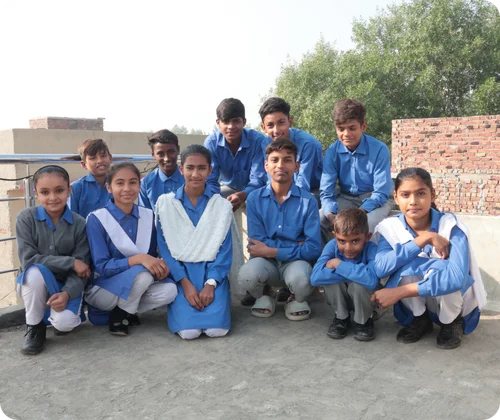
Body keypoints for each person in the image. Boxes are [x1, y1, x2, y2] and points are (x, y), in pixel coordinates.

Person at [372, 168, 487, 349]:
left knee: (443, 272)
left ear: (432, 195)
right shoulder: (389, 227)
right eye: (405, 195)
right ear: (396, 198)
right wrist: (423, 239)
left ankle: (451, 322)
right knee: (406, 267)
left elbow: (456, 279)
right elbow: (380, 268)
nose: (413, 202)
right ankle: (420, 319)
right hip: (419, 302)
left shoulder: (451, 227)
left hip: (454, 301)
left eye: (420, 193)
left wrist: (400, 292)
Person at [85, 163, 177, 336]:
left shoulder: (149, 216)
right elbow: (102, 267)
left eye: (133, 182)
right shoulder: (97, 219)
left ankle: (124, 311)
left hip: (138, 285)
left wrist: (159, 267)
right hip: (104, 289)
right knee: (141, 275)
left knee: (170, 291)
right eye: (119, 183)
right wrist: (138, 259)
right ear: (109, 188)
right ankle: (123, 315)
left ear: (139, 185)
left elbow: (152, 256)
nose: (127, 188)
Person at [156, 144, 235, 340]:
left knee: (217, 331)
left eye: (201, 168)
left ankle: (216, 295)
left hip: (212, 275)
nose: (195, 174)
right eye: (190, 168)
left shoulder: (221, 206)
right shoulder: (165, 205)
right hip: (181, 276)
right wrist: (185, 284)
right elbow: (165, 249)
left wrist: (211, 284)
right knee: (188, 333)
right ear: (181, 169)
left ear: (210, 170)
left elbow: (225, 251)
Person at [238, 139, 321, 321]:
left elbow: (313, 248)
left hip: (295, 265)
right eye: (275, 160)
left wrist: (271, 250)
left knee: (302, 279)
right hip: (269, 265)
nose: (280, 165)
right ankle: (264, 296)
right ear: (266, 165)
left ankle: (297, 299)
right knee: (246, 276)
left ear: (296, 166)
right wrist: (295, 245)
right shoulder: (254, 199)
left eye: (287, 160)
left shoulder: (308, 201)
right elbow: (255, 244)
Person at [16, 165, 91, 355]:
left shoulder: (80, 224)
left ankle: (57, 313)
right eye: (44, 192)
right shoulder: (26, 218)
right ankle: (34, 328)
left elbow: (82, 270)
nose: (52, 198)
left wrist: (66, 293)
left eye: (59, 190)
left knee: (64, 325)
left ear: (69, 190)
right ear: (36, 193)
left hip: (67, 284)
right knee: (34, 272)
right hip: (34, 283)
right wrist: (70, 262)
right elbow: (28, 259)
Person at [320, 99, 393, 242]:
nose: (346, 134)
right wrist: (331, 215)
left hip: (376, 198)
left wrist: (359, 214)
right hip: (347, 198)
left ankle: (370, 263)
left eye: (352, 128)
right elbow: (326, 192)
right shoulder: (332, 151)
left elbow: (381, 191)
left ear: (363, 126)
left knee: (367, 225)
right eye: (341, 129)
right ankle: (324, 261)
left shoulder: (379, 149)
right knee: (319, 219)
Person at [311, 208, 379, 341]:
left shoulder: (372, 249)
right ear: (335, 236)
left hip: (364, 300)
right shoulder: (331, 246)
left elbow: (372, 281)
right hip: (340, 299)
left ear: (367, 237)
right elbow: (315, 278)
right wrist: (358, 271)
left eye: (355, 241)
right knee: (331, 283)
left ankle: (364, 321)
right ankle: (341, 318)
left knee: (360, 284)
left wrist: (338, 265)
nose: (348, 248)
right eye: (342, 241)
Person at [204, 98, 267, 212]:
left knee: (257, 201)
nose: (231, 127)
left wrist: (243, 195)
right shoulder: (211, 143)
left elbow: (258, 180)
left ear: (244, 121)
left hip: (254, 189)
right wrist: (215, 200)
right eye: (226, 122)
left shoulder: (258, 141)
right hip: (228, 187)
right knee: (206, 201)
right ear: (218, 123)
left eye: (236, 121)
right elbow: (210, 180)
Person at [259, 96, 323, 194]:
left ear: (290, 121)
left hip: (313, 190)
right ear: (263, 127)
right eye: (270, 125)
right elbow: (271, 177)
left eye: (281, 123)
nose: (276, 130)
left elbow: (303, 183)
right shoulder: (266, 143)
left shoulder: (308, 144)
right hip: (284, 189)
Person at [139, 129, 184, 210]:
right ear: (153, 155)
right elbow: (145, 216)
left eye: (171, 152)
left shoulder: (189, 179)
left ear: (178, 150)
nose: (166, 158)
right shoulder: (146, 184)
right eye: (160, 154)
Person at [69, 138, 112, 218]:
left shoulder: (117, 185)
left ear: (110, 158)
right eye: (93, 158)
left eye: (103, 156)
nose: (99, 161)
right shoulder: (76, 188)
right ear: (83, 164)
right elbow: (72, 219)